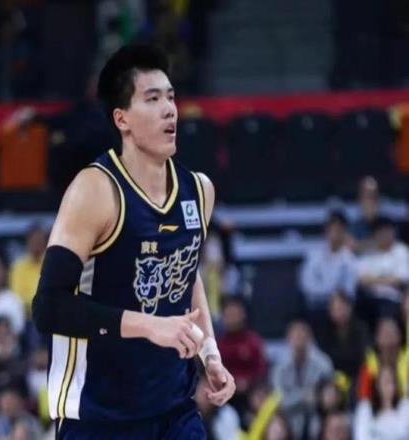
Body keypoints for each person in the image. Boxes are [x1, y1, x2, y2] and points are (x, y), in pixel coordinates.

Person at [31, 44, 235, 439]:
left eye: (171, 97)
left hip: (174, 410)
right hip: (99, 416)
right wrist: (149, 326)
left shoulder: (199, 190)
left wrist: (210, 352)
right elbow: (49, 308)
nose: (169, 109)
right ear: (121, 118)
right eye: (153, 99)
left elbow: (185, 273)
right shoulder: (95, 190)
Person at [272, 321, 333, 439]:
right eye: (296, 337)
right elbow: (278, 401)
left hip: (317, 415)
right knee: (276, 427)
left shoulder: (323, 364)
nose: (299, 341)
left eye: (303, 337)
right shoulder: (279, 367)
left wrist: (298, 398)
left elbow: (327, 398)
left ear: (310, 339)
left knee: (334, 422)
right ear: (288, 339)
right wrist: (303, 396)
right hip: (287, 417)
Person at [299, 210, 357, 322]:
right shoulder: (313, 253)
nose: (335, 233)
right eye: (332, 229)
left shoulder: (349, 258)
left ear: (345, 232)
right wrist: (331, 291)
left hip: (338, 308)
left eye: (339, 230)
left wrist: (332, 297)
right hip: (314, 304)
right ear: (326, 230)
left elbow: (349, 290)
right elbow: (306, 284)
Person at [356, 216, 409, 328]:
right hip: (370, 297)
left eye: (388, 231)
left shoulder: (401, 250)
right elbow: (362, 280)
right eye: (381, 231)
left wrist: (374, 280)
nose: (384, 235)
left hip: (392, 298)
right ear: (375, 234)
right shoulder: (368, 252)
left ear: (393, 232)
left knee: (386, 309)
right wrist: (387, 279)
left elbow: (401, 279)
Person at [354, 366, 409, 439]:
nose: (388, 386)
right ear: (377, 385)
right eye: (385, 381)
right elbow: (361, 436)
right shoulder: (365, 409)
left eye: (392, 381)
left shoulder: (405, 407)